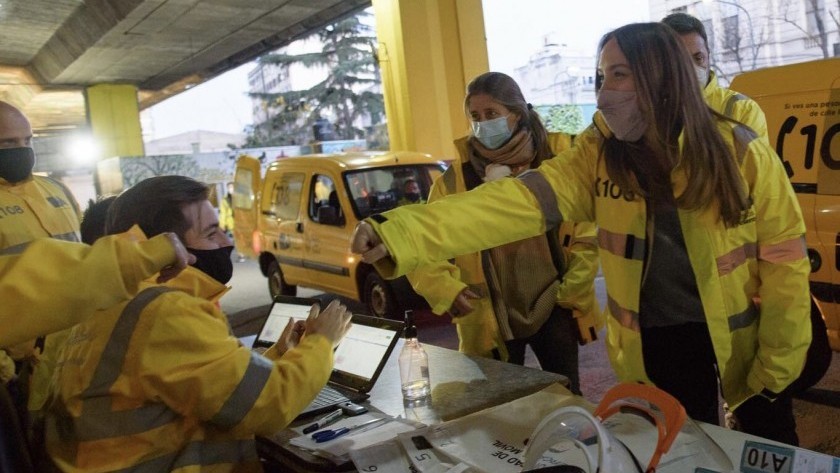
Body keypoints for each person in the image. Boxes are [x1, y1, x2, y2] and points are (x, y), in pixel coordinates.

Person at [351, 23, 810, 446]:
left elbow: (786, 263)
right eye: (600, 76)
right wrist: (399, 233)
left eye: (619, 75)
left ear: (661, 78)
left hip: (747, 349)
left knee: (766, 450)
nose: (604, 91)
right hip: (658, 347)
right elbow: (510, 204)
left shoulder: (740, 150)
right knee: (680, 451)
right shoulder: (599, 156)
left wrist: (778, 366)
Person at [45, 175, 353, 471]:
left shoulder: (107, 301)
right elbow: (266, 406)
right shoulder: (166, 310)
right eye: (210, 233)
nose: (226, 241)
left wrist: (280, 354)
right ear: (170, 248)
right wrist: (321, 342)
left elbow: (208, 387)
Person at [406, 72, 600, 395]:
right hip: (490, 315)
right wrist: (446, 289)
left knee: (566, 397)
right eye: (475, 117)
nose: (483, 124)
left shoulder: (554, 159)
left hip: (553, 302)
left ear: (517, 113)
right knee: (498, 405)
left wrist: (573, 290)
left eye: (492, 114)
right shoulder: (456, 180)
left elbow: (586, 233)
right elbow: (425, 243)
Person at [0, 100, 84, 427]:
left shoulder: (56, 190)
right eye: (8, 143)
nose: (22, 150)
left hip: (80, 349)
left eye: (27, 140)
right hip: (21, 369)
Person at [0, 231, 193, 348]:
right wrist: (139, 258)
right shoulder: (174, 313)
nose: (224, 242)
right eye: (210, 234)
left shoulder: (54, 189)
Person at [660, 12, 768, 143]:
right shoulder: (652, 112)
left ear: (708, 54)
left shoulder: (742, 109)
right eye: (680, 61)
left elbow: (757, 161)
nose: (691, 70)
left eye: (698, 58)